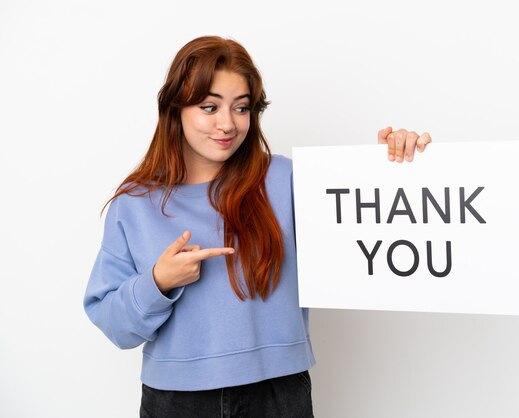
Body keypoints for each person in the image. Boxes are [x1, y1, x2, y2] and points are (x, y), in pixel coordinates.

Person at [83, 35, 431, 418]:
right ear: (175, 109)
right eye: (209, 106)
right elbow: (115, 326)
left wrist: (395, 163)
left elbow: (364, 221)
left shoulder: (285, 180)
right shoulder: (133, 203)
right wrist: (157, 282)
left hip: (277, 393)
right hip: (175, 401)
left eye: (241, 108)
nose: (227, 124)